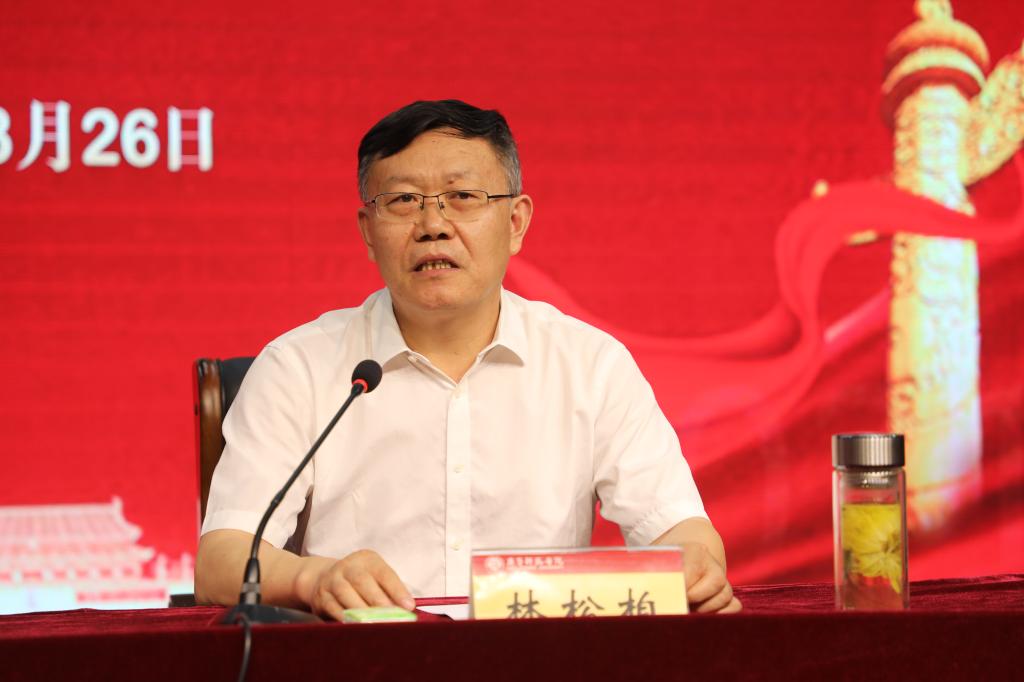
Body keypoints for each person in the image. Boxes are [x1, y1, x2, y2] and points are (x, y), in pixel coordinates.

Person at [195, 100, 741, 617]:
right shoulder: (298, 367)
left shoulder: (589, 365)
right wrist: (313, 579)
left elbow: (681, 531)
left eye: (463, 197)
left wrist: (692, 565)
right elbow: (221, 561)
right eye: (403, 201)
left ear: (516, 222)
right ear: (368, 231)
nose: (433, 225)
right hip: (361, 659)